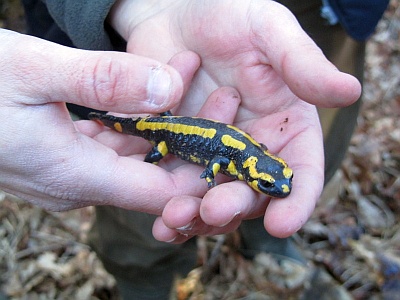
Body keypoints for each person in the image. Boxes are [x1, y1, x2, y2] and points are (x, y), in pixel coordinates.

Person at [1, 0, 387, 298]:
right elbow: (222, 158)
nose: (281, 183)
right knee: (153, 156)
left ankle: (264, 240)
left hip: (342, 13)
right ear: (257, 172)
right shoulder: (243, 161)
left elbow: (242, 154)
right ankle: (146, 279)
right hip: (163, 131)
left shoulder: (255, 159)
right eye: (272, 182)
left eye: (277, 179)